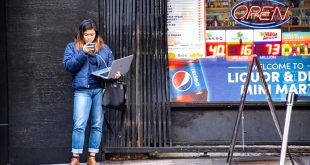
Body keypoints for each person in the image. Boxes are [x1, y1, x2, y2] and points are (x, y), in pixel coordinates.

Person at [63, 19, 121, 165]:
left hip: (99, 90)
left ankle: (91, 157)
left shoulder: (104, 48)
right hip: (82, 90)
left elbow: (110, 68)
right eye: (86, 34)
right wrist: (82, 52)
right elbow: (68, 66)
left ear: (96, 34)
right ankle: (75, 158)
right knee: (79, 124)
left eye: (92, 34)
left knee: (97, 124)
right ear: (81, 34)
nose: (89, 37)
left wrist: (115, 75)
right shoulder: (72, 47)